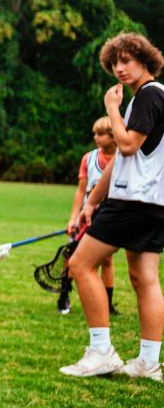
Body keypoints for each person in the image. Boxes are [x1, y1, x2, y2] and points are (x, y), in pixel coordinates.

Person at [61, 32, 164, 381]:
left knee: (80, 264)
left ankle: (101, 351)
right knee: (144, 278)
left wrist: (111, 108)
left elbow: (128, 145)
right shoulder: (145, 99)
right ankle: (148, 362)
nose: (119, 68)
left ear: (145, 60)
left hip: (134, 201)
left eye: (126, 60)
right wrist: (91, 202)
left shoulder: (149, 95)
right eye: (114, 62)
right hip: (153, 203)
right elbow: (120, 159)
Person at [62, 117, 120, 316]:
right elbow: (80, 191)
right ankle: (63, 296)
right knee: (71, 255)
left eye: (101, 134)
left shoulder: (123, 158)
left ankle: (108, 303)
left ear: (114, 137)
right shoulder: (89, 158)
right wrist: (73, 218)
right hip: (84, 216)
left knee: (107, 260)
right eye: (94, 133)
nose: (96, 138)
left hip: (106, 217)